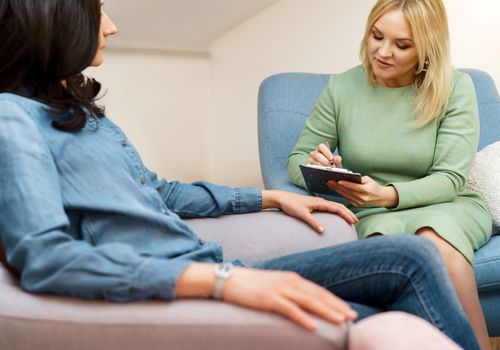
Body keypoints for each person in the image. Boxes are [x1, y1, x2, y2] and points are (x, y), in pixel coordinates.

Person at [0, 1, 479, 349]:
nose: (113, 25)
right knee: (398, 289)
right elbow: (46, 258)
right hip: (193, 282)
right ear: (56, 21)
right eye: (99, 10)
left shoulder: (77, 110)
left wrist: (269, 198)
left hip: (213, 266)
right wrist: (220, 281)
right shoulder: (12, 119)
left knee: (409, 268)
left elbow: (161, 192)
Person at [288, 0, 492, 348]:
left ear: (426, 49)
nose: (383, 52)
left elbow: (449, 179)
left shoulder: (455, 88)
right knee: (389, 252)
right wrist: (318, 167)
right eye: (376, 36)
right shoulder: (343, 87)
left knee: (433, 241)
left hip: (447, 205)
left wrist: (389, 194)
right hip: (372, 212)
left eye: (402, 45)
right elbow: (295, 160)